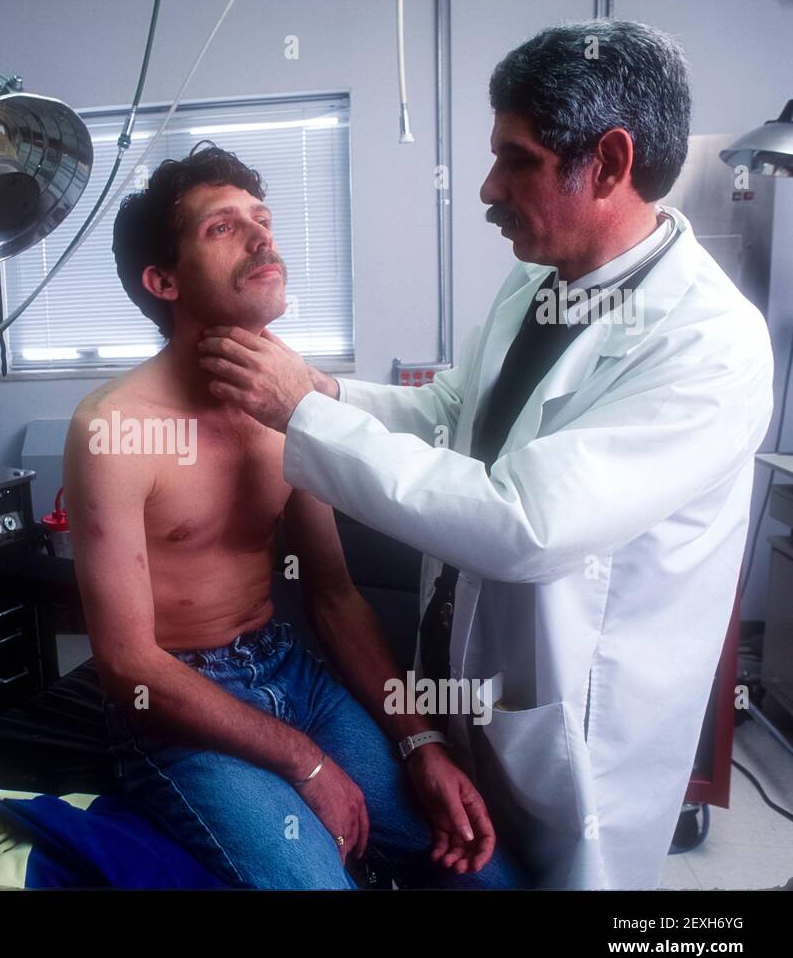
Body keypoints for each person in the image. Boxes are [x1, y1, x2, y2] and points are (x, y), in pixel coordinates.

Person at [197, 21, 774, 888]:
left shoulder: (710, 343)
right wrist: (322, 395)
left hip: (583, 720)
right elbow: (451, 414)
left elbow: (525, 523)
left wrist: (300, 419)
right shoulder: (539, 283)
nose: (486, 188)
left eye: (517, 159)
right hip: (468, 666)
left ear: (610, 165)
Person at [63, 143, 524, 889]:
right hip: (178, 708)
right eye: (222, 227)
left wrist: (423, 743)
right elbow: (127, 663)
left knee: (486, 871)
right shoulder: (113, 427)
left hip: (289, 670)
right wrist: (304, 762)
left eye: (263, 219)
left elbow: (335, 597)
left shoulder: (285, 401)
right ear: (164, 280)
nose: (262, 238)